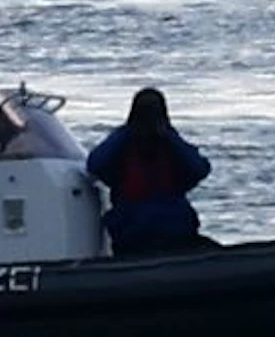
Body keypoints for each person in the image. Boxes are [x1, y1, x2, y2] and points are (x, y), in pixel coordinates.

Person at [85, 87, 214, 256]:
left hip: (167, 234)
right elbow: (95, 164)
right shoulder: (124, 146)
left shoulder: (168, 145)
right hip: (140, 236)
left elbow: (200, 168)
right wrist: (130, 132)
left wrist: (167, 136)